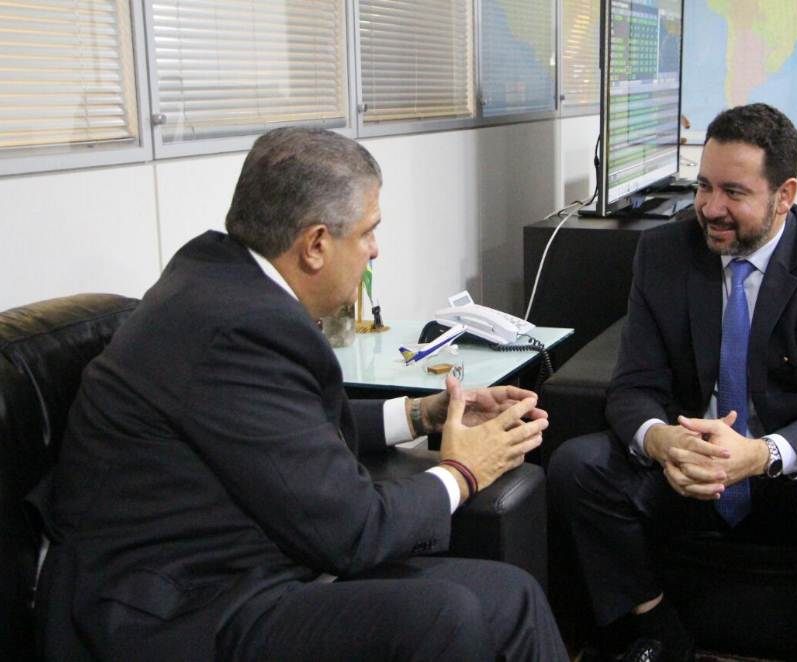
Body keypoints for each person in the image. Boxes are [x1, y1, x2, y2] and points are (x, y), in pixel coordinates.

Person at [32, 127, 568, 661]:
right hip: (175, 608)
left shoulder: (218, 274)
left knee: (512, 599)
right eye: (368, 233)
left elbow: (285, 429)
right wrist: (464, 471)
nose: (375, 250)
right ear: (315, 245)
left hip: (234, 562)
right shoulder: (239, 328)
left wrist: (420, 414)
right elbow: (355, 533)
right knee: (444, 617)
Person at [549, 103, 797, 662]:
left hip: (791, 472)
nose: (711, 208)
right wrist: (662, 441)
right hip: (688, 471)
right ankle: (659, 634)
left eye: (734, 192)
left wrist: (761, 454)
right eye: (704, 186)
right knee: (577, 466)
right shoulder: (663, 252)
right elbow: (634, 384)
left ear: (784, 195)